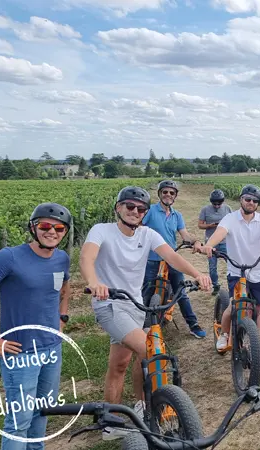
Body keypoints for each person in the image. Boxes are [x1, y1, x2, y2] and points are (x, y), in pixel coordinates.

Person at [80, 186, 211, 440]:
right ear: (118, 208)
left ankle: (125, 412)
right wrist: (94, 282)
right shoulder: (102, 231)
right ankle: (149, 410)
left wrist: (197, 274)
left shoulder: (148, 234)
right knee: (150, 350)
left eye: (141, 209)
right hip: (109, 304)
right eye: (130, 207)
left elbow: (171, 257)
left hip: (134, 304)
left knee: (120, 363)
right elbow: (86, 258)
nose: (135, 212)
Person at [0, 203, 72, 450]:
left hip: (52, 349)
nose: (52, 231)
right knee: (19, 422)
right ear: (33, 227)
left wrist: (62, 319)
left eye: (59, 228)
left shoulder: (62, 259)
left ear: (65, 232)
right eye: (45, 226)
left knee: (42, 413)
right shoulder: (9, 257)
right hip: (20, 352)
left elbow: (64, 290)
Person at [199, 184, 260, 362]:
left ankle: (255, 345)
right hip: (237, 271)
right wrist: (209, 245)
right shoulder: (230, 218)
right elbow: (220, 233)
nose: (251, 203)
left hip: (259, 271)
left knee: (258, 308)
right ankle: (224, 334)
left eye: (255, 201)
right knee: (234, 306)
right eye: (248, 199)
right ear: (241, 200)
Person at [141, 180, 206, 339]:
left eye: (171, 193)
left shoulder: (177, 215)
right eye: (165, 192)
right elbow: (138, 228)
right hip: (152, 259)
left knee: (180, 292)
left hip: (171, 258)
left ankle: (193, 324)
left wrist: (195, 241)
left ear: (175, 196)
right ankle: (141, 327)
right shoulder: (150, 211)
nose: (168, 195)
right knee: (146, 292)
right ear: (159, 194)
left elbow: (184, 235)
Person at [198, 189, 232, 295]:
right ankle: (216, 285)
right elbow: (200, 225)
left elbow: (232, 222)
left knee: (232, 264)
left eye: (219, 203)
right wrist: (210, 225)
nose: (217, 206)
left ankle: (233, 285)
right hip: (211, 243)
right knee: (212, 267)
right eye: (214, 204)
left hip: (225, 242)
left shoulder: (228, 208)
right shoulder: (205, 209)